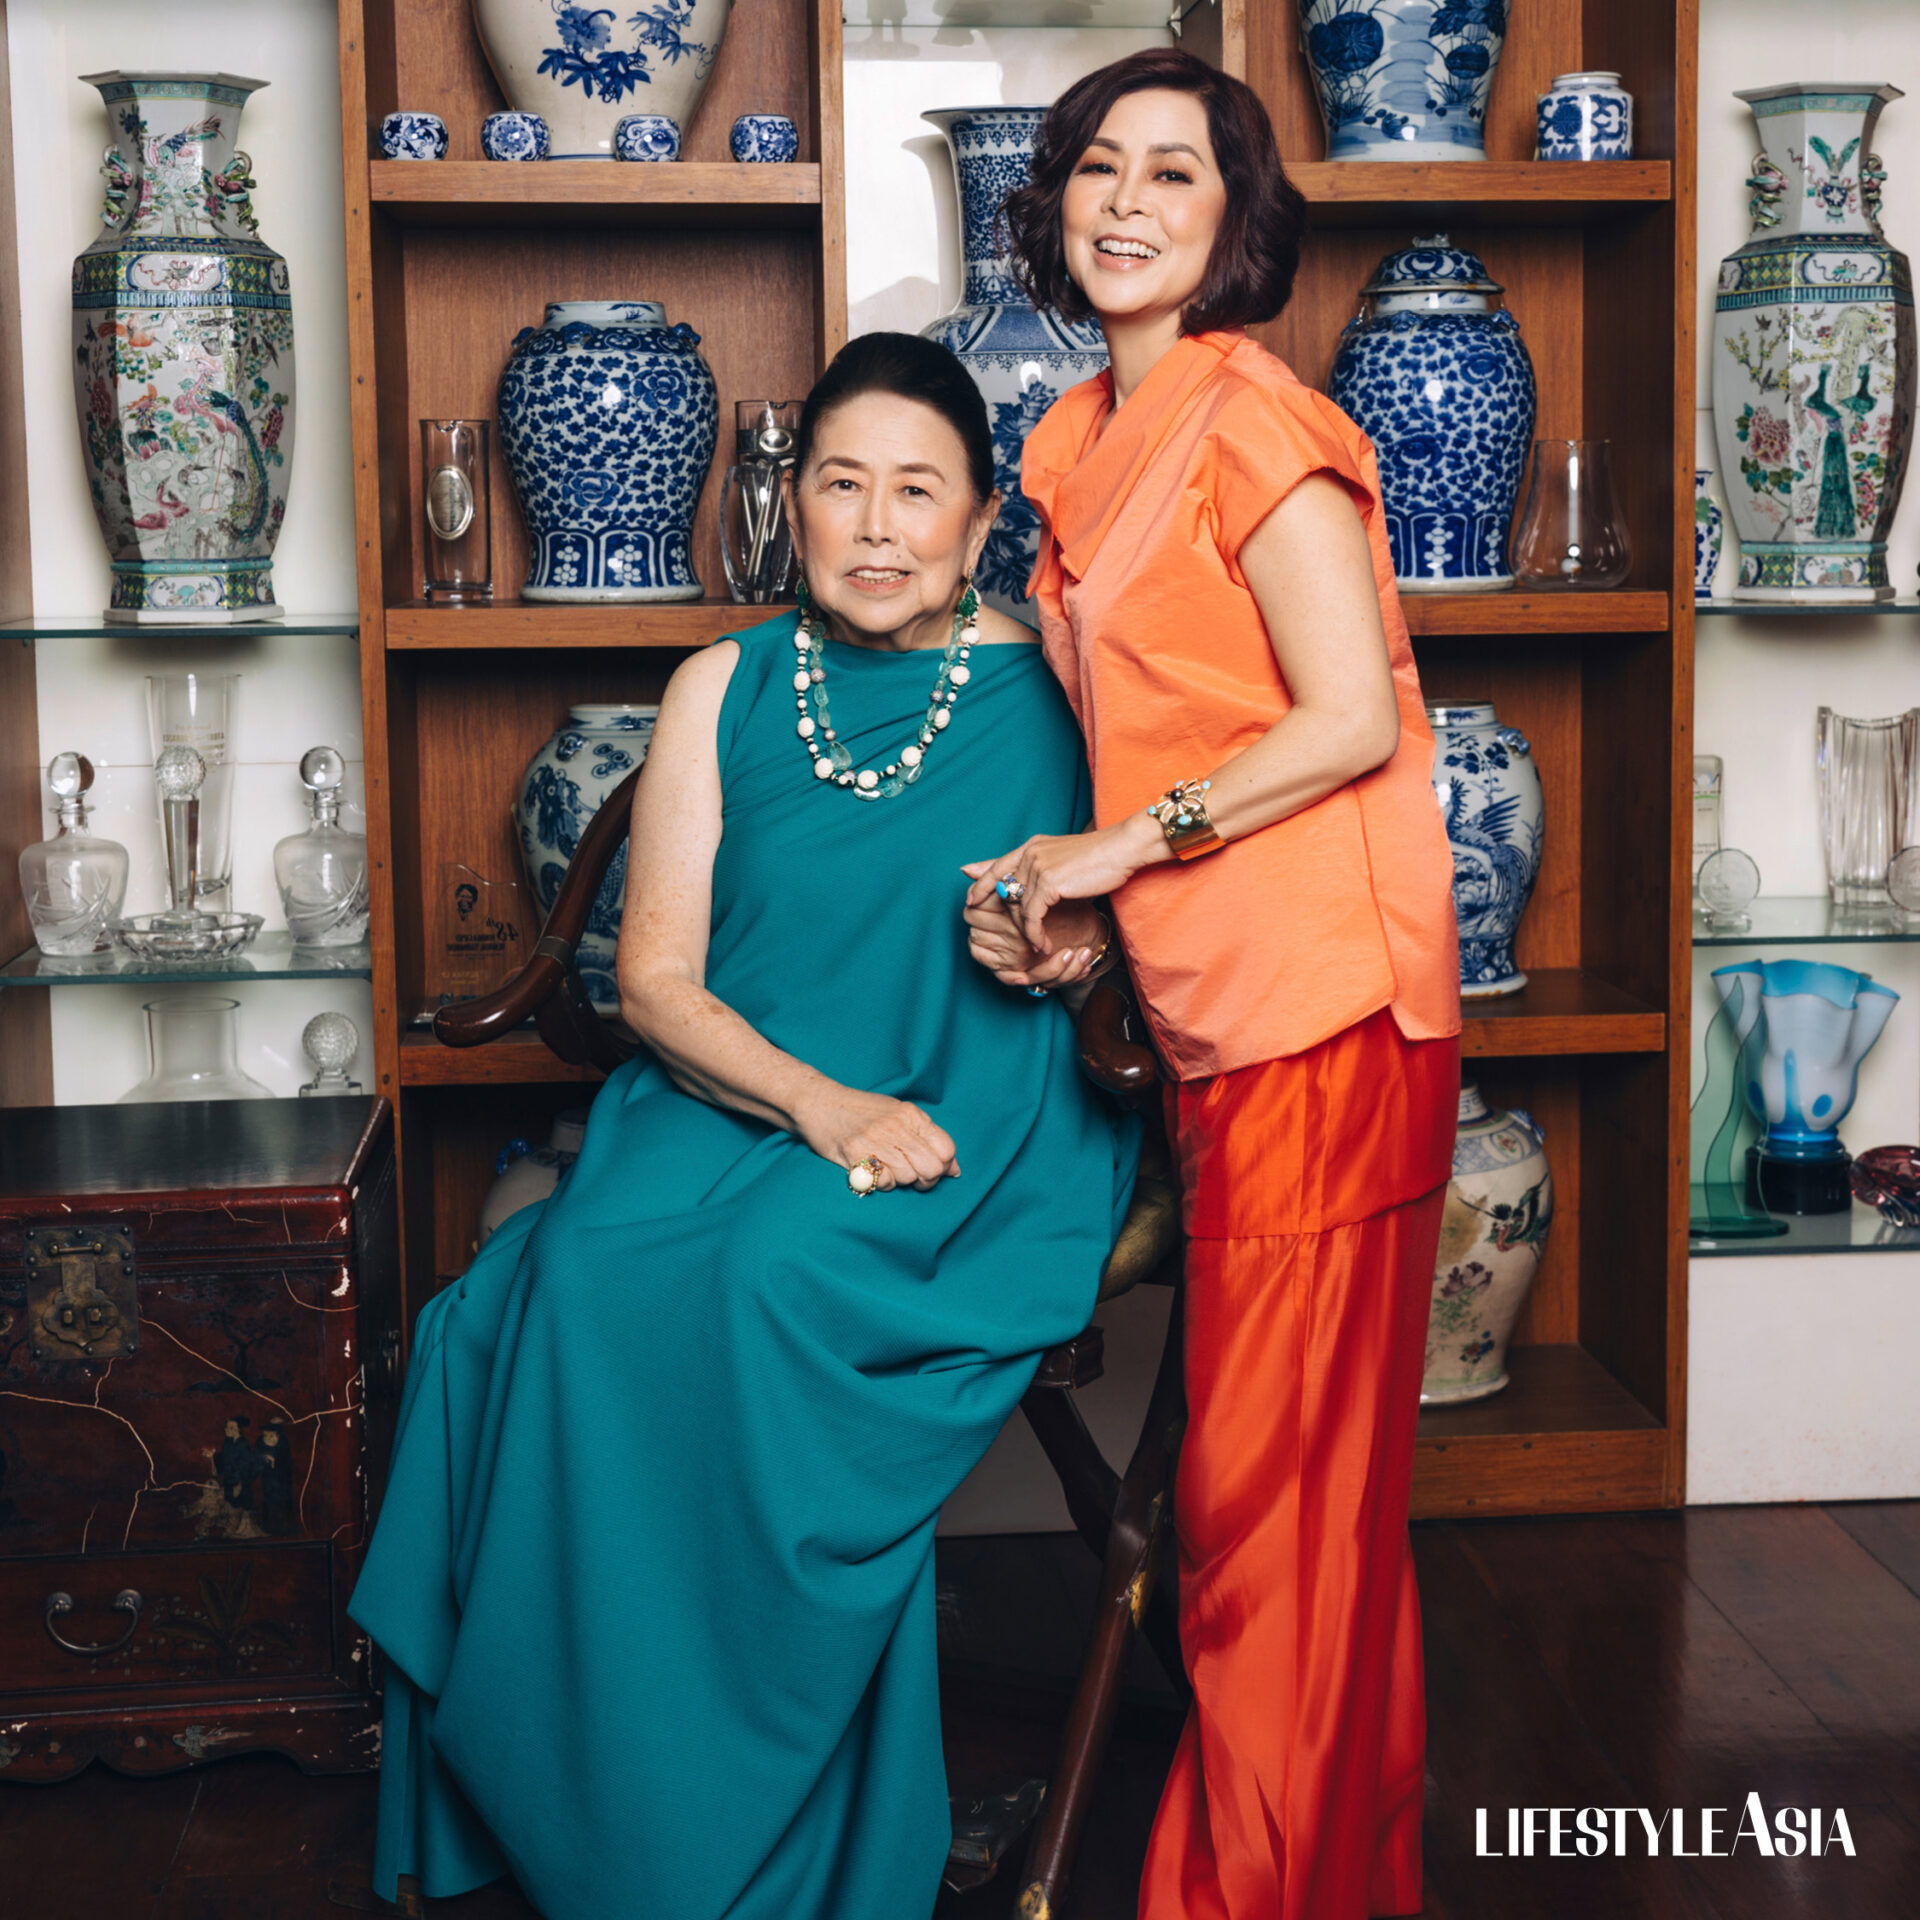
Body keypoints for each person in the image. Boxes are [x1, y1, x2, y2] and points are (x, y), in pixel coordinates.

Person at [347, 331, 1138, 1919]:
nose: (877, 527)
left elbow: (1138, 907)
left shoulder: (1064, 682)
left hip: (972, 1114)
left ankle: (758, 1806)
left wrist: (1072, 955)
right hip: (736, 1096)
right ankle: (598, 1782)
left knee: (766, 1276)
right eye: (842, 485)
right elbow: (654, 983)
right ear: (794, 505)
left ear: (983, 520)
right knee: (559, 1285)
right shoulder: (722, 682)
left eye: (918, 491)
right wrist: (818, 1103)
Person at [964, 48, 1462, 1920]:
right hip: (1220, 1011)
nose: (1126, 202)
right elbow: (1154, 719)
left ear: (1236, 219)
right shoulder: (1079, 436)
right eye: (1099, 166)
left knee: (1263, 1514)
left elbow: (1344, 722)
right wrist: (1085, 901)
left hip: (1330, 1008)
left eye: (1175, 173)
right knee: (1301, 1516)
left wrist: (1119, 848)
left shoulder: (1258, 418)